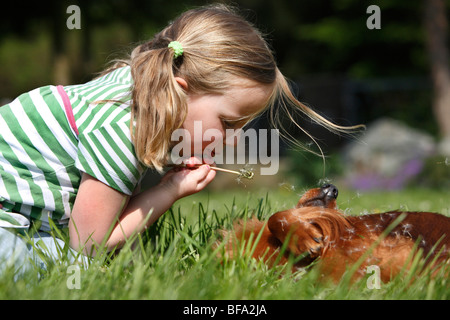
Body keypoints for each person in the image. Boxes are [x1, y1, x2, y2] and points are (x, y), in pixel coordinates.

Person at [0, 4, 360, 272]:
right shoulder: (122, 131)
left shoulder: (135, 86)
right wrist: (169, 191)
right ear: (181, 90)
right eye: (228, 123)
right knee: (75, 270)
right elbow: (88, 245)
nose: (232, 142)